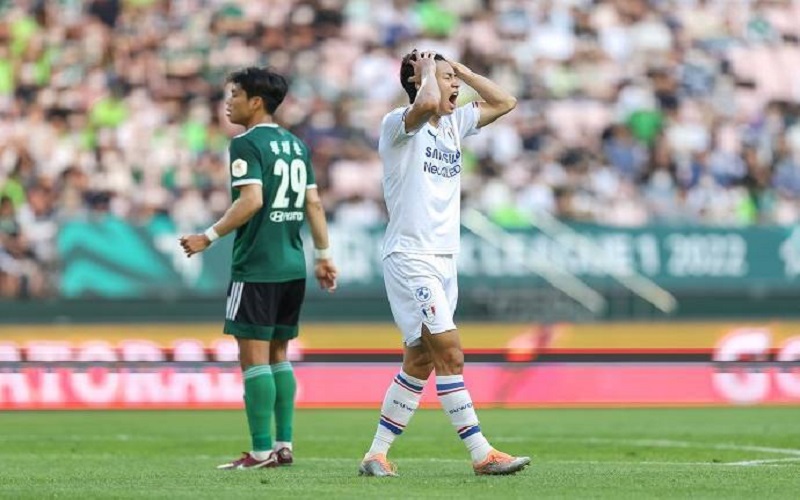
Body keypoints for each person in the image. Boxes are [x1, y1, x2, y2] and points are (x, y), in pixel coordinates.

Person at [358, 50, 529, 477]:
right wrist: (431, 72)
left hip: (443, 257)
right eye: (447, 78)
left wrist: (465, 70)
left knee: (419, 361)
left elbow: (505, 101)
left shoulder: (454, 124)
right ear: (419, 82)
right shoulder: (398, 126)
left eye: (455, 79)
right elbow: (428, 104)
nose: (455, 86)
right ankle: (481, 453)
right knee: (450, 352)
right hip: (411, 256)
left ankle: (375, 454)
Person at [180, 66, 337, 470]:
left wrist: (208, 236)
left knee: (254, 359)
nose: (228, 102)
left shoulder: (246, 144)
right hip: (293, 265)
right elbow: (314, 205)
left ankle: (261, 451)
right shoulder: (296, 144)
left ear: (255, 101)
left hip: (257, 267)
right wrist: (322, 256)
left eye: (234, 95)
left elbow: (251, 200)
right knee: (280, 355)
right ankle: (284, 446)